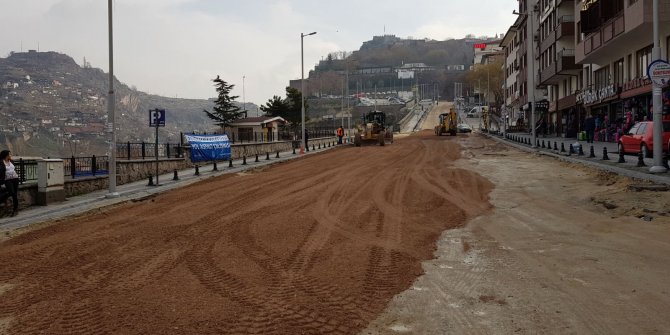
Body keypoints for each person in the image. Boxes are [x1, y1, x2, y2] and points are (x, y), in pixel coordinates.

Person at [0, 150, 19, 216]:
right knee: (12, 193)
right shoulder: (1, 162)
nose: (10, 155)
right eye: (9, 154)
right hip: (7, 180)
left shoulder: (11, 161)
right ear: (6, 155)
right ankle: (2, 197)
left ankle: (15, 209)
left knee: (15, 194)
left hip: (15, 179)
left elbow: (14, 169)